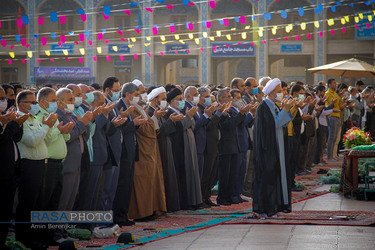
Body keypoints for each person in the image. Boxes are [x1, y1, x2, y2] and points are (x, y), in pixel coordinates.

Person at [15, 90, 56, 248]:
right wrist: (46, 127)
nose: (35, 105)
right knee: (28, 204)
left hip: (41, 164)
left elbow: (48, 140)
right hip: (28, 165)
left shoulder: (35, 118)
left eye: (35, 102)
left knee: (40, 204)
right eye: (31, 103)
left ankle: (38, 238)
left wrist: (49, 127)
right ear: (21, 104)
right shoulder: (20, 120)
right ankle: (25, 239)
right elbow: (32, 141)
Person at [253, 78, 295, 217]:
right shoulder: (263, 107)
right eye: (278, 91)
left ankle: (276, 206)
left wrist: (286, 110)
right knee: (268, 178)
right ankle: (266, 208)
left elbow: (280, 123)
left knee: (277, 176)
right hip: (267, 149)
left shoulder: (274, 105)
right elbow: (273, 125)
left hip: (277, 146)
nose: (281, 94)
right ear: (270, 93)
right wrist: (286, 110)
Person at [127, 85, 167, 221]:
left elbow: (150, 127)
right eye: (140, 93)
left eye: (143, 92)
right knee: (142, 184)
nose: (143, 95)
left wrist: (153, 119)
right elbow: (145, 129)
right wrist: (154, 118)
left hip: (149, 151)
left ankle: (149, 210)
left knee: (150, 183)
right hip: (141, 152)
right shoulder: (132, 110)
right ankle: (141, 213)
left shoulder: (141, 109)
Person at [112, 83, 146, 226]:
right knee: (122, 185)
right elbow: (119, 130)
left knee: (127, 185)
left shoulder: (131, 108)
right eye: (136, 95)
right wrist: (134, 124)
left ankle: (124, 215)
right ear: (127, 94)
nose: (138, 98)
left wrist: (136, 124)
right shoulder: (118, 107)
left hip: (131, 151)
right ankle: (118, 216)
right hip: (123, 152)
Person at [147, 87, 185, 212]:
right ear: (155, 99)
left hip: (166, 146)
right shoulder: (150, 111)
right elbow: (157, 131)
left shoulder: (160, 111)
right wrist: (171, 121)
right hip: (159, 147)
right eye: (163, 99)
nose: (165, 101)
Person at [166, 88, 203, 210]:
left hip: (188, 145)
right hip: (179, 148)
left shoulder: (180, 112)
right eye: (180, 99)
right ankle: (186, 202)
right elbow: (179, 129)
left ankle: (194, 200)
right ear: (172, 101)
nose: (182, 102)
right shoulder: (169, 112)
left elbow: (191, 126)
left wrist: (189, 117)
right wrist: (189, 116)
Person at [0, 87, 28, 249]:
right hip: (2, 173)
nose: (4, 101)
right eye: (1, 98)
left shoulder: (6, 117)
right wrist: (7, 124)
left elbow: (16, 137)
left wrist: (17, 123)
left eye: (4, 98)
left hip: (11, 171)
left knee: (6, 210)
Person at [99, 77, 127, 212]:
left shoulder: (113, 104)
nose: (118, 93)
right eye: (116, 90)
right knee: (105, 190)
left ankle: (108, 219)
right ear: (107, 90)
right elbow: (103, 129)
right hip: (109, 154)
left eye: (119, 90)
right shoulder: (103, 104)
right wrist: (114, 124)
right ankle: (102, 221)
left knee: (112, 190)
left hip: (117, 152)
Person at [216, 89, 246, 205]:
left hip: (234, 145)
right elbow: (228, 125)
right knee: (224, 175)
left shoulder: (231, 110)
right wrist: (241, 115)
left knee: (232, 174)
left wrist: (241, 114)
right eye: (227, 97)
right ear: (220, 99)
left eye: (230, 96)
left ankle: (229, 197)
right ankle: (222, 197)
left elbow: (237, 122)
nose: (230, 99)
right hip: (225, 147)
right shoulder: (219, 111)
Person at [230, 89, 256, 204]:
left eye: (240, 97)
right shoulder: (232, 110)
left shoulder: (240, 110)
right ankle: (234, 194)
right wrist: (250, 113)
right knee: (236, 171)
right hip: (237, 143)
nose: (239, 100)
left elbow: (248, 124)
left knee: (242, 171)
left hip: (244, 142)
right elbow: (241, 123)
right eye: (237, 98)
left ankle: (239, 193)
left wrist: (251, 114)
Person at [325, 79, 342, 162]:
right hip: (332, 116)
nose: (336, 84)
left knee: (335, 137)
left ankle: (333, 155)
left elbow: (339, 104)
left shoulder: (335, 93)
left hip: (337, 115)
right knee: (331, 137)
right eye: (334, 83)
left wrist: (341, 97)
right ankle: (329, 156)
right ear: (329, 85)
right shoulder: (328, 93)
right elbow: (333, 104)